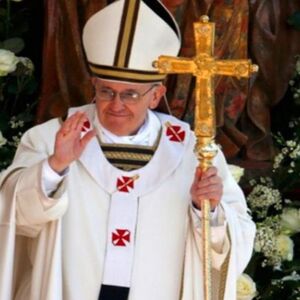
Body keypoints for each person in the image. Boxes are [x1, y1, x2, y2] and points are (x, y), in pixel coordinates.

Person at [0, 1, 256, 299]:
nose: (116, 105)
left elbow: (235, 239)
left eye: (130, 94)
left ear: (156, 95)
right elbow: (12, 217)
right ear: (93, 85)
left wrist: (206, 210)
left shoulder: (193, 152)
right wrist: (54, 167)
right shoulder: (50, 139)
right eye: (105, 91)